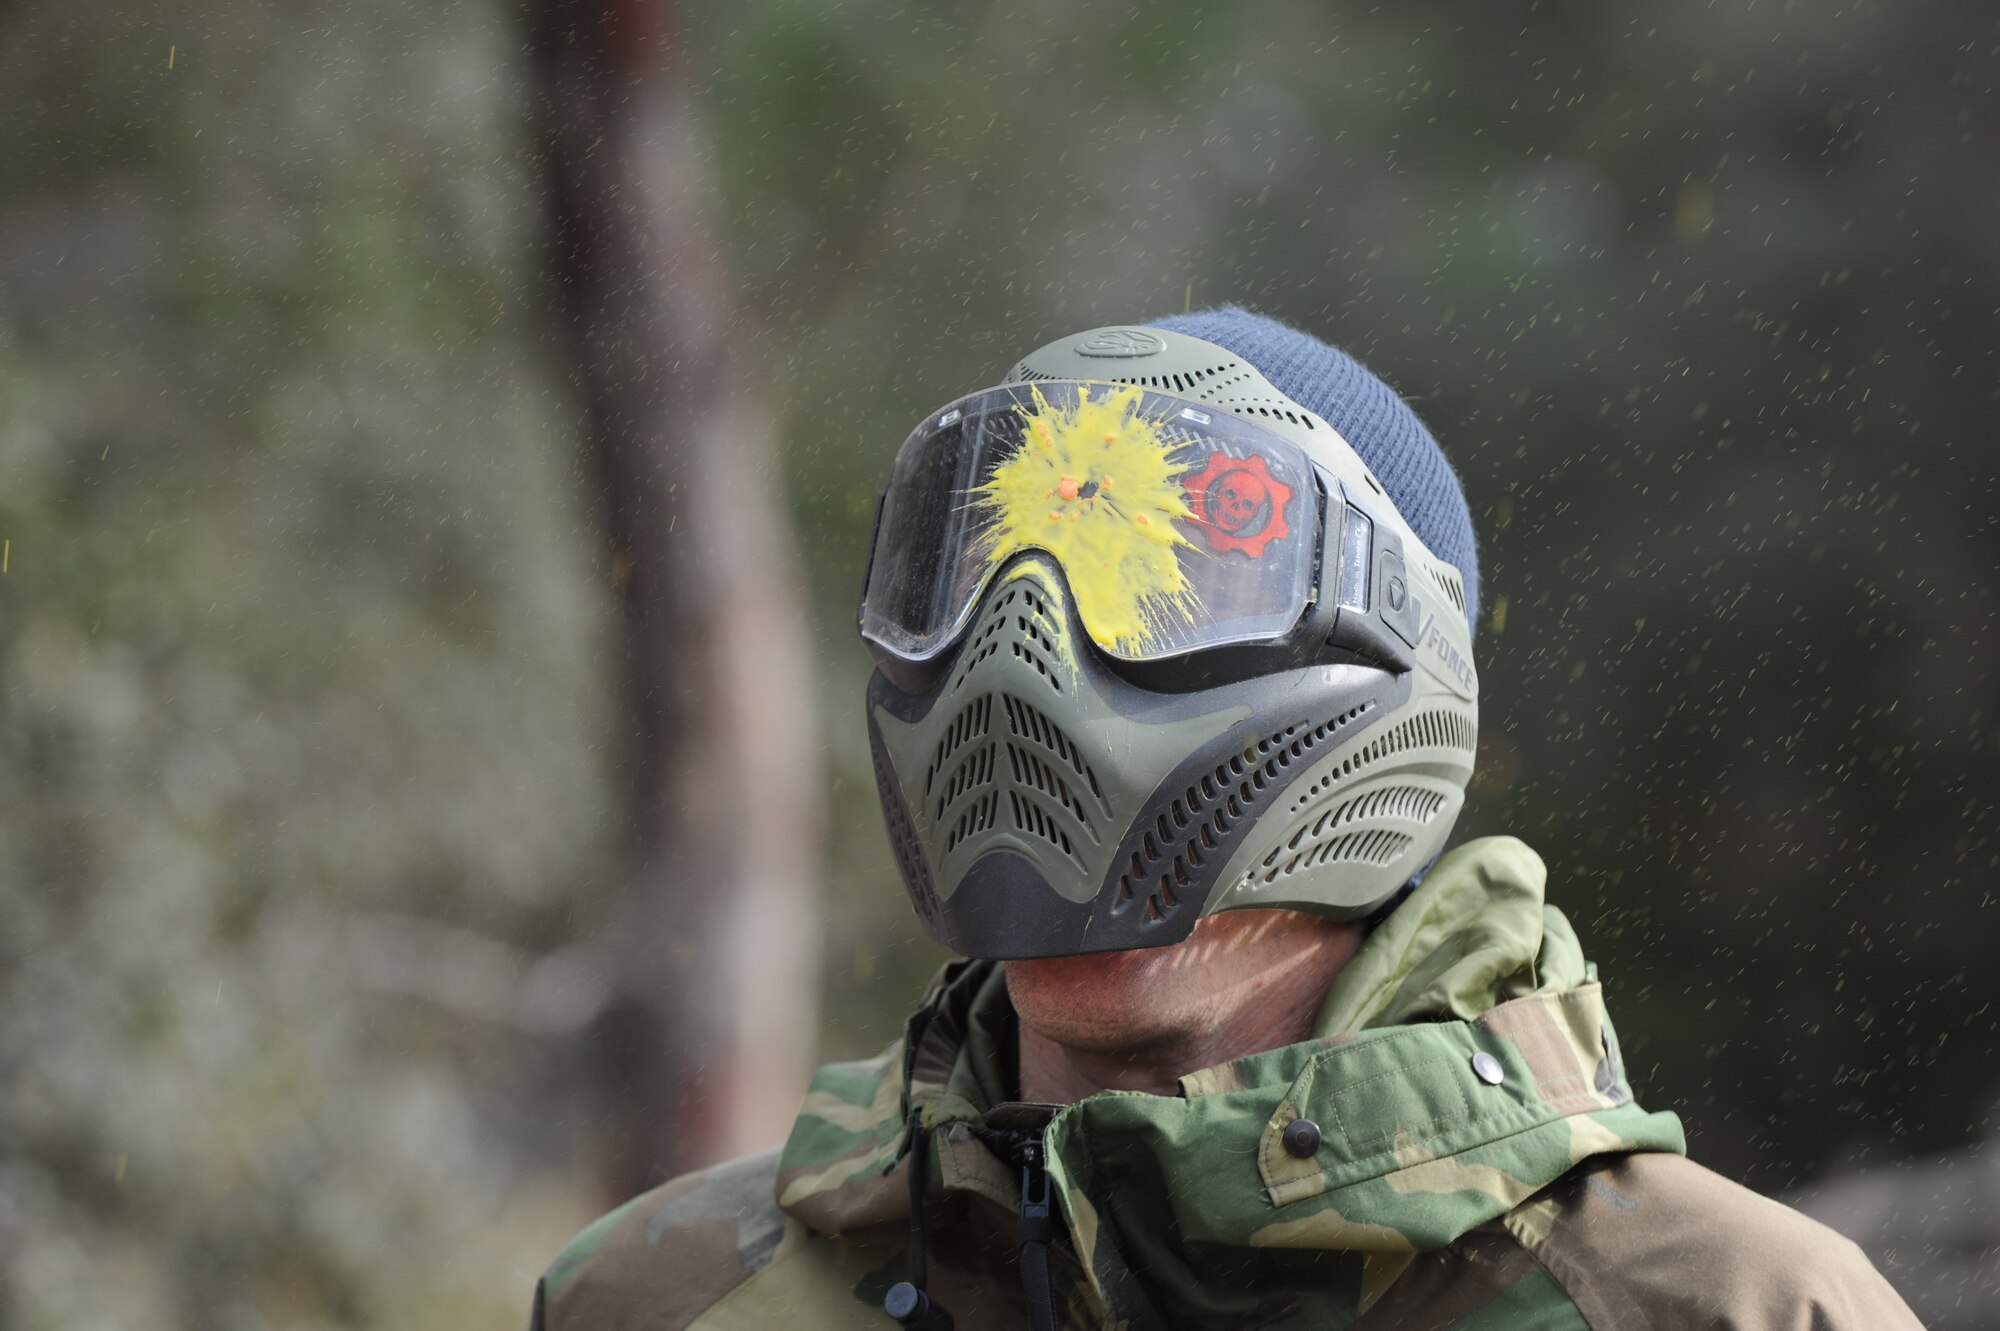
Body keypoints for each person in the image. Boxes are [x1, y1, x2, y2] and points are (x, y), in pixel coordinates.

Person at [530, 309, 1921, 1329]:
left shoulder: (1739, 1314)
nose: (1027, 673)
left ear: (1403, 676)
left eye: (1170, 591)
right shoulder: (651, 1302)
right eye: (991, 575)